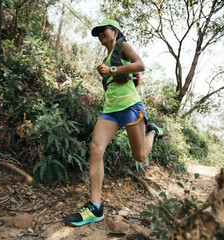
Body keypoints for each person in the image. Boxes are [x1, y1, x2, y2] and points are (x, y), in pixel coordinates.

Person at [64, 19, 163, 227]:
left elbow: (141, 65)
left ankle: (152, 131)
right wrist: (107, 72)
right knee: (95, 148)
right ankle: (95, 207)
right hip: (110, 111)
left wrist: (113, 71)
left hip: (130, 108)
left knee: (140, 156)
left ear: (115, 32)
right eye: (97, 32)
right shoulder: (106, 58)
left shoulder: (122, 46)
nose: (100, 34)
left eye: (103, 30)